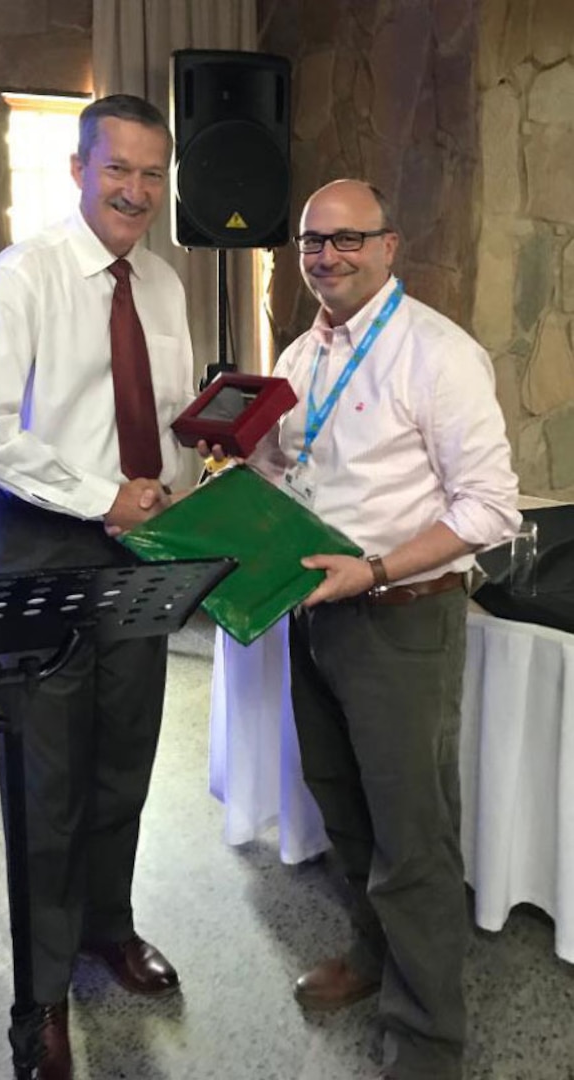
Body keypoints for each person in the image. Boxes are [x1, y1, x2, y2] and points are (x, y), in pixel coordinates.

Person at [0, 94, 194, 1079]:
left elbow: (165, 421)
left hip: (144, 551)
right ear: (78, 168)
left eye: (151, 175)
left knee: (125, 753)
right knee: (46, 780)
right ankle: (38, 995)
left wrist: (201, 460)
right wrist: (100, 498)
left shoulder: (165, 285)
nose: (134, 190)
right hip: (47, 546)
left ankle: (108, 929)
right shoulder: (25, 276)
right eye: (116, 168)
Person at [247, 180, 520, 1080]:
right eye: (311, 243)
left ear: (389, 245)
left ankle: (429, 1042)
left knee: (412, 838)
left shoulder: (437, 354)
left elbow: (490, 509)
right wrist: (241, 462)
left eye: (347, 239)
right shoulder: (298, 356)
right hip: (314, 617)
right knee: (344, 810)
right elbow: (292, 469)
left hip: (401, 619)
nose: (327, 257)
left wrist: (373, 569)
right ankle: (373, 958)